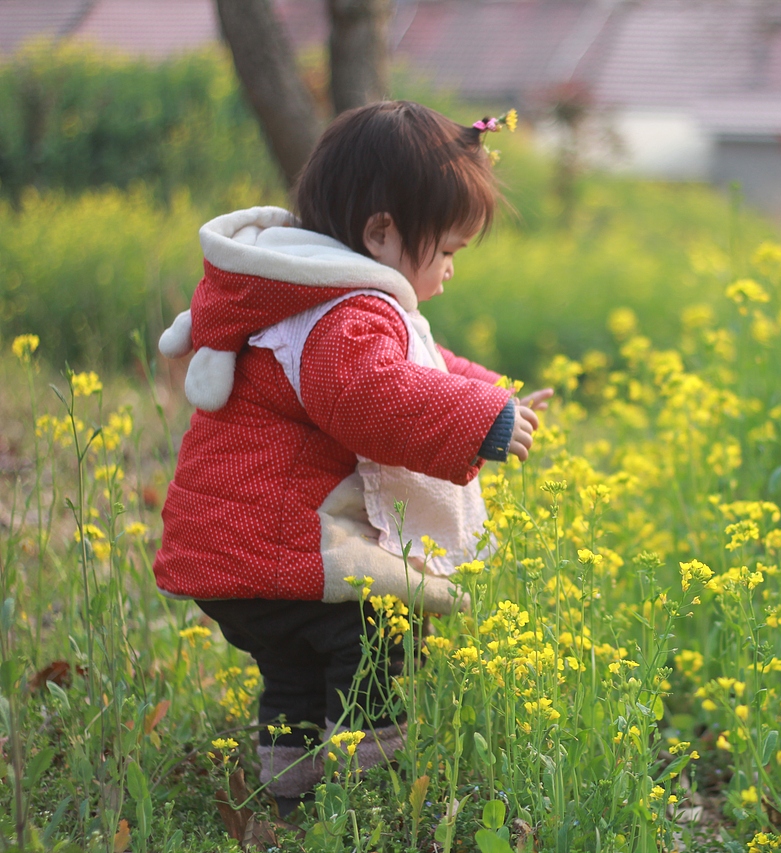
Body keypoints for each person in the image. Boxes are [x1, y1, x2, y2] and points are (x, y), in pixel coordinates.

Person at [151, 101, 550, 812]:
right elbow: (372, 394)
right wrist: (482, 422)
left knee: (298, 672)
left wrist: (492, 392)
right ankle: (364, 795)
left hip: (239, 554)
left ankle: (291, 782)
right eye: (449, 250)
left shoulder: (309, 294)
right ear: (382, 233)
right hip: (284, 553)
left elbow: (420, 362)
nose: (453, 270)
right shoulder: (344, 314)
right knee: (379, 641)